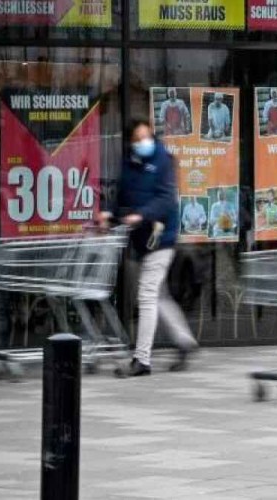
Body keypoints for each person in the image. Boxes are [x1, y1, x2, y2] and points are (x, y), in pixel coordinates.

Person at [98, 119, 198, 377]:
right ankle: (184, 341)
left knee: (147, 293)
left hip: (161, 237)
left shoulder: (163, 160)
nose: (144, 142)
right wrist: (109, 213)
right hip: (143, 241)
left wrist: (141, 215)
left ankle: (141, 360)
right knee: (159, 295)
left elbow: (166, 199)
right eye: (139, 138)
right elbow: (121, 195)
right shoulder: (129, 163)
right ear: (131, 142)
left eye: (147, 136)